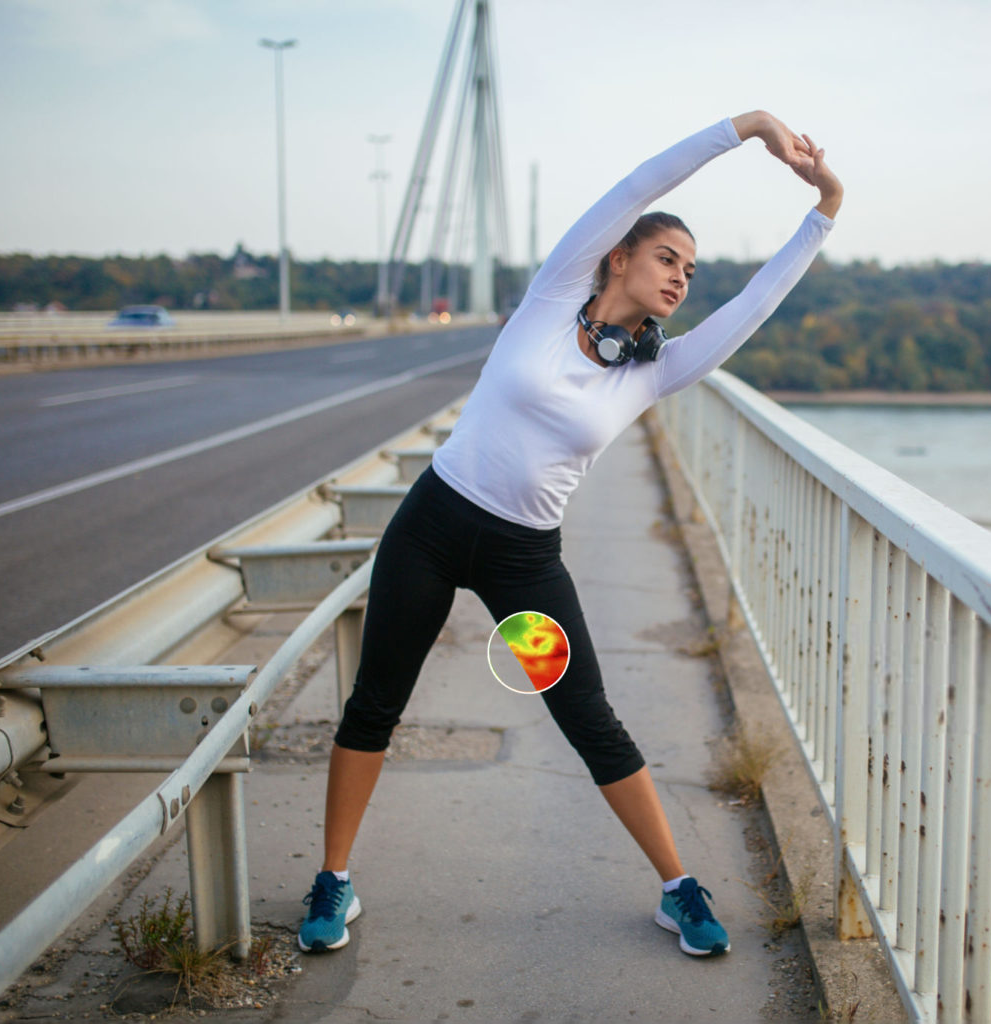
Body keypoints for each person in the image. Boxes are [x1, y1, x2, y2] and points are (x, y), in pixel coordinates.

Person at [297, 110, 842, 958]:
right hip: (431, 530)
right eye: (667, 257)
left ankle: (678, 889)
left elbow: (753, 305)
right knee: (376, 703)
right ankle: (333, 879)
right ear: (618, 256)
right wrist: (747, 128)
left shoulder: (651, 373)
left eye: (690, 271)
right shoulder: (553, 298)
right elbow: (639, 185)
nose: (681, 277)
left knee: (589, 718)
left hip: (522, 563)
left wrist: (824, 211)